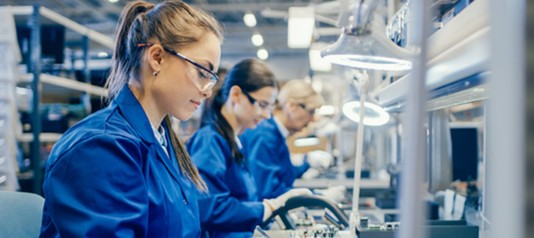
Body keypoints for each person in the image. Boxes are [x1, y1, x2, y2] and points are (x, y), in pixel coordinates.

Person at [40, 1, 223, 237]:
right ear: (157, 57)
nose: (207, 90)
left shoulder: (164, 142)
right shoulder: (100, 148)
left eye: (211, 78)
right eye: (202, 72)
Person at [186, 59, 312, 237]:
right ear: (236, 94)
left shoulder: (233, 142)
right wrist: (266, 209)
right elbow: (208, 206)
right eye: (262, 105)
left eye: (270, 107)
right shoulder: (210, 140)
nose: (266, 115)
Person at [241, 80, 330, 200]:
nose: (313, 119)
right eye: (311, 111)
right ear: (292, 106)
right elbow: (268, 192)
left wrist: (307, 163)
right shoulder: (264, 136)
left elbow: (283, 176)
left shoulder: (276, 134)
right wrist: (318, 197)